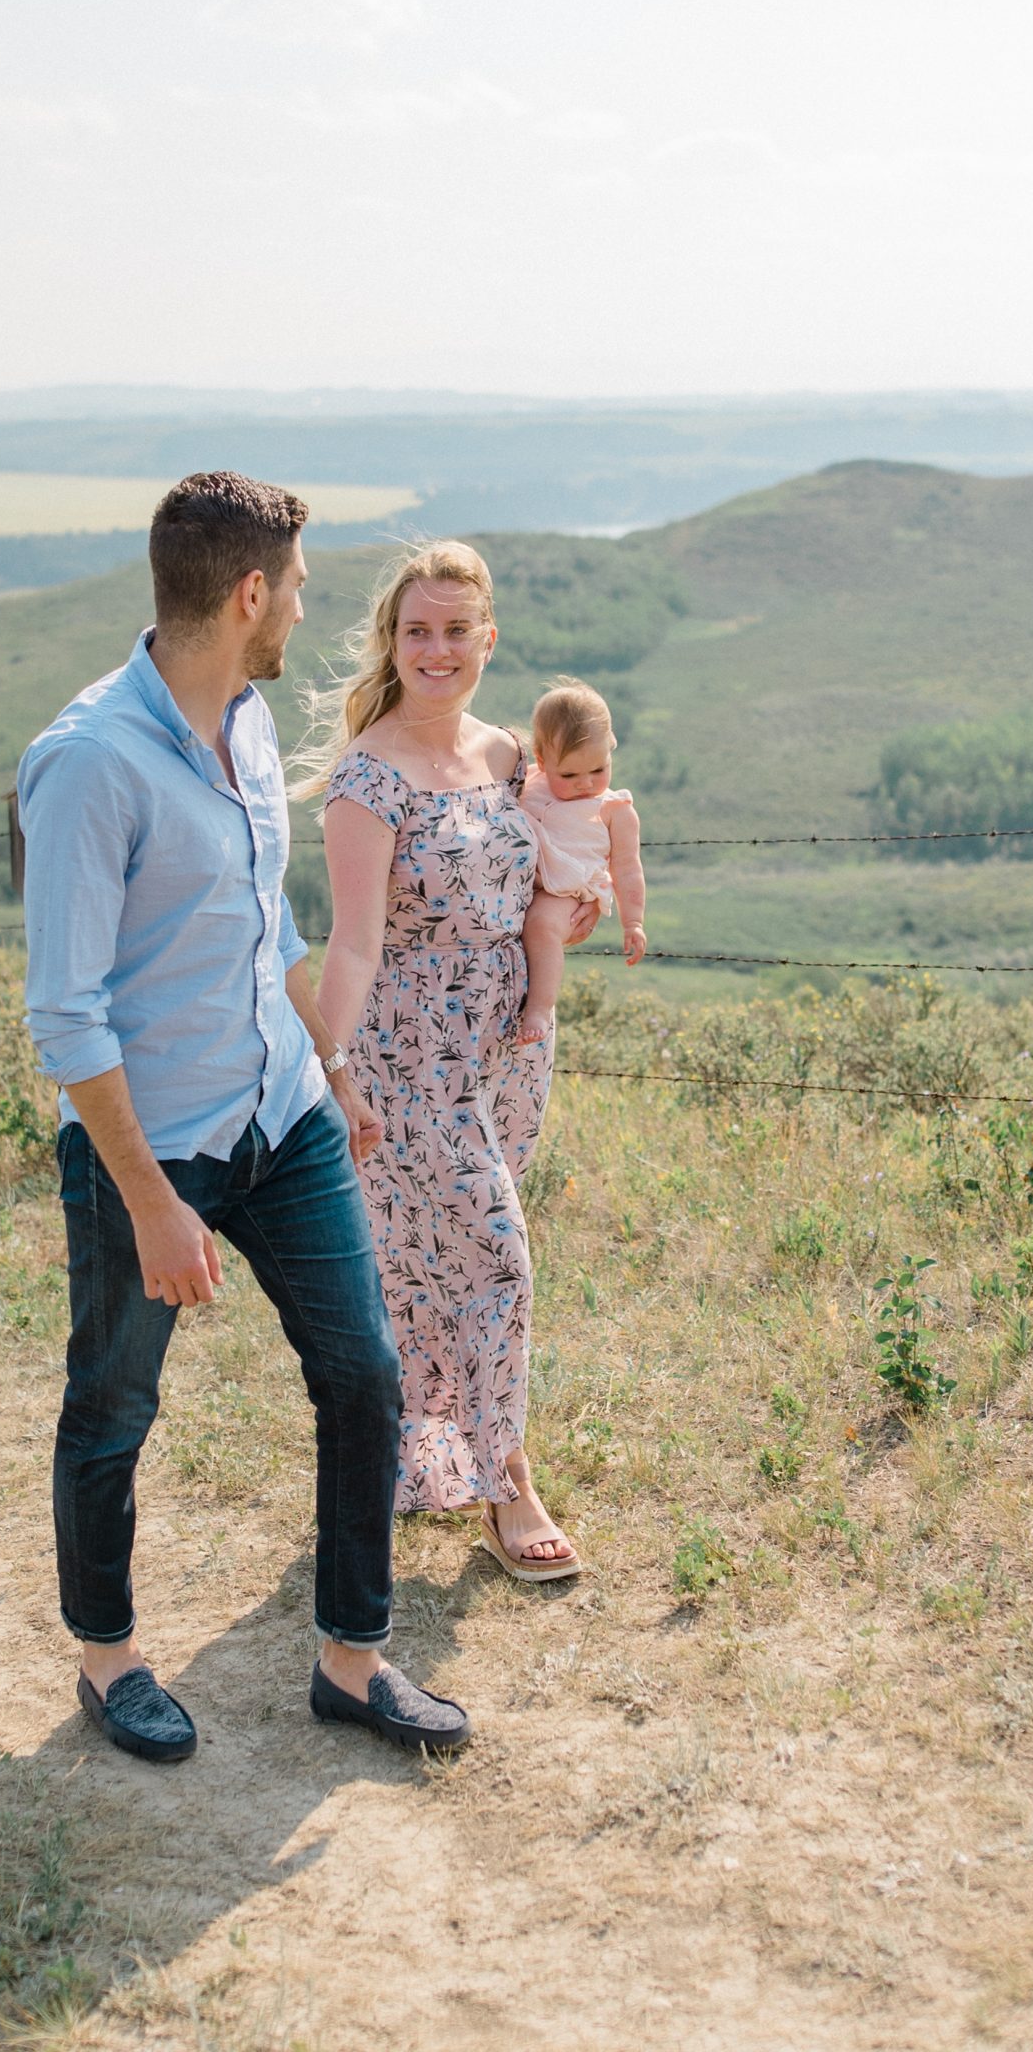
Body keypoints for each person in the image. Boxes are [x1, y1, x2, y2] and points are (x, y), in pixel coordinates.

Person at [17, 474, 471, 1764]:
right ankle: (109, 1661)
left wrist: (327, 1065)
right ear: (248, 592)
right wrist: (155, 1206)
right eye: (299, 589)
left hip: (281, 1109)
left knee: (364, 1374)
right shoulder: (87, 763)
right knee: (112, 1405)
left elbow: (263, 921)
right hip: (146, 1148)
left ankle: (352, 1658)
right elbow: (68, 1019)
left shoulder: (253, 721)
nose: (306, 613)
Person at [303, 539, 586, 1584]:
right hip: (409, 1057)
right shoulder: (366, 780)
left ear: (486, 638)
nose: (435, 648)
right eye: (415, 630)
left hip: (505, 1048)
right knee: (496, 1255)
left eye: (454, 629)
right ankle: (507, 1485)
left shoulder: (511, 757)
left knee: (428, 1263)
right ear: (392, 639)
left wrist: (569, 925)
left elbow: (531, 895)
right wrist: (332, 1070)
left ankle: (401, 1458)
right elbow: (353, 943)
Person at [518, 680, 648, 1044]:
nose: (585, 783)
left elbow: (627, 868)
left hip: (564, 891)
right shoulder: (528, 780)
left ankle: (540, 1009)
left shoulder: (614, 809)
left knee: (542, 927)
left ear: (611, 748)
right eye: (569, 774)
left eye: (598, 769)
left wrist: (633, 921)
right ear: (542, 761)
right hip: (518, 883)